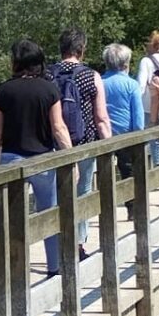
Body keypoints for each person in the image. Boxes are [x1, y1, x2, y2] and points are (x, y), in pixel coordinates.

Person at [0, 39, 72, 274]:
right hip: (43, 160)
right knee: (49, 214)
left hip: (11, 160)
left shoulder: (3, 90)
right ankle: (54, 267)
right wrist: (71, 159)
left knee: (12, 219)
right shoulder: (49, 89)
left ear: (16, 62)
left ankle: (13, 268)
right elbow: (58, 128)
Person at [51, 27, 111, 255]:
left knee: (57, 194)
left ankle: (57, 243)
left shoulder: (48, 74)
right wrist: (110, 147)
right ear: (81, 49)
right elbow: (101, 118)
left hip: (55, 145)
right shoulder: (91, 75)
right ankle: (78, 244)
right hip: (84, 143)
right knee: (82, 191)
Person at [101, 43, 145, 195]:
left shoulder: (99, 82)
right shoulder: (132, 85)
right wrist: (139, 136)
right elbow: (138, 116)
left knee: (105, 175)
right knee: (129, 173)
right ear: (126, 63)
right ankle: (131, 204)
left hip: (104, 136)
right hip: (127, 135)